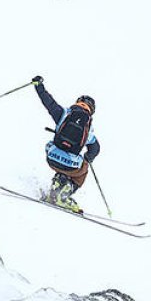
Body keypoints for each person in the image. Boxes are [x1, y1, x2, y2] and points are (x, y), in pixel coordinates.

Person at [32, 75, 99, 213]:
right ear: (91, 110)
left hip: (51, 158)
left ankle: (55, 189)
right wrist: (87, 158)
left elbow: (48, 102)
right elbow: (96, 148)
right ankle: (63, 196)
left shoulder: (64, 114)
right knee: (82, 169)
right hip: (70, 165)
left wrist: (38, 85)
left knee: (55, 150)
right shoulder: (89, 128)